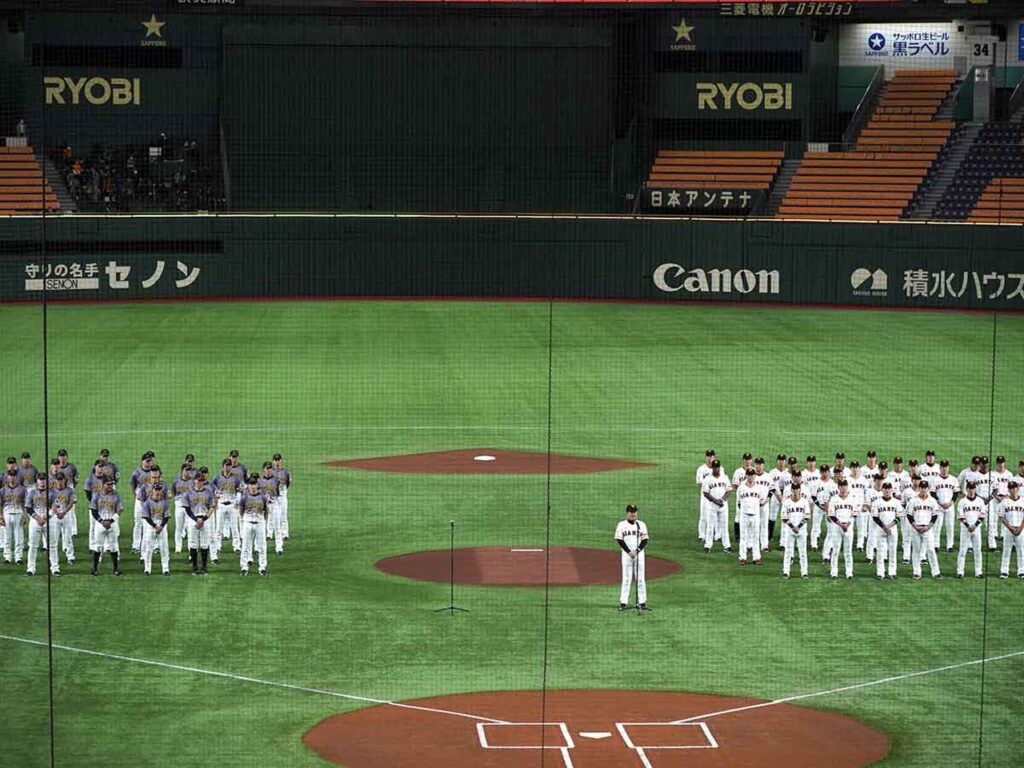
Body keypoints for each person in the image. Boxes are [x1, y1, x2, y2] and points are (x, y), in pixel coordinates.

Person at [615, 504, 649, 610]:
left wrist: (637, 551)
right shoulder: (621, 525)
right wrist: (629, 552)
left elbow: (645, 540)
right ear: (627, 513)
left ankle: (642, 602)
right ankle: (623, 603)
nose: (633, 513)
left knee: (640, 578)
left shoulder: (641, 525)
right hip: (626, 555)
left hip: (639, 554)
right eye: (631, 511)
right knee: (626, 578)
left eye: (635, 511)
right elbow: (619, 540)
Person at [906, 481, 942, 580]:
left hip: (927, 528)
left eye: (925, 487)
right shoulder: (913, 500)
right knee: (916, 551)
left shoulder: (932, 501)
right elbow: (909, 515)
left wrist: (928, 527)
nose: (923, 489)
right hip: (915, 528)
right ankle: (916, 572)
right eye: (921, 487)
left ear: (928, 488)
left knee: (931, 550)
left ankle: (936, 572)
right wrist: (915, 526)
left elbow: (935, 515)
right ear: (919, 488)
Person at [184, 468, 216, 575]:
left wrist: (204, 519)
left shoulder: (209, 492)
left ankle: (204, 567)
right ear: (194, 481)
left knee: (204, 544)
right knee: (193, 544)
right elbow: (187, 509)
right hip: (192, 520)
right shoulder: (188, 493)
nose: (199, 482)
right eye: (198, 481)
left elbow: (212, 507)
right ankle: (194, 567)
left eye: (201, 481)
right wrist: (196, 519)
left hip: (205, 520)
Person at [24, 476, 59, 577]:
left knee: (52, 545)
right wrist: (38, 518)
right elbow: (28, 507)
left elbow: (56, 506)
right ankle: (30, 569)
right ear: (37, 482)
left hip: (50, 520)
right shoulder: (31, 492)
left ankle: (55, 568)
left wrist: (46, 517)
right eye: (40, 482)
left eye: (44, 482)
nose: (42, 484)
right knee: (33, 546)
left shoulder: (53, 492)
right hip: (35, 521)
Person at [90, 476, 124, 576]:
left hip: (112, 524)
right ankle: (94, 568)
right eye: (108, 484)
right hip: (100, 524)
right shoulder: (96, 495)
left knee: (113, 546)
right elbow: (93, 510)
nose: (111, 486)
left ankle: (116, 568)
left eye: (112, 484)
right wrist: (101, 521)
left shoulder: (116, 495)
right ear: (103, 484)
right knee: (98, 546)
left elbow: (120, 509)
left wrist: (112, 520)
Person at [238, 474, 271, 576]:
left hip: (260, 523)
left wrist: (262, 520)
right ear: (248, 486)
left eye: (254, 484)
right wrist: (245, 519)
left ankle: (262, 567)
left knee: (262, 546)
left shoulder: (263, 497)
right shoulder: (244, 497)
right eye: (250, 484)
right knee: (245, 546)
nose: (252, 486)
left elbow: (266, 510)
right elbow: (241, 510)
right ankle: (244, 566)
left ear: (257, 485)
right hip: (247, 523)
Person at [870, 482, 903, 580]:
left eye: (889, 488)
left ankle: (892, 572)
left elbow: (899, 516)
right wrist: (884, 527)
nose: (887, 490)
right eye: (885, 488)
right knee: (881, 551)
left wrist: (890, 526)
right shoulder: (876, 502)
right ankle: (880, 573)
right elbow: (875, 517)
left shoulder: (896, 502)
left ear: (892, 490)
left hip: (893, 529)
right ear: (882, 490)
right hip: (880, 529)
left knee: (892, 551)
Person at [826, 480, 857, 580]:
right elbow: (831, 515)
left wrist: (847, 524)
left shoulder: (852, 499)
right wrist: (840, 524)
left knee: (848, 551)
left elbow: (854, 514)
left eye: (845, 486)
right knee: (835, 550)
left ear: (847, 487)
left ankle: (849, 572)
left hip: (848, 527)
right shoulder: (834, 499)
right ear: (838, 487)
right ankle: (834, 572)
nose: (843, 488)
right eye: (841, 486)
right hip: (836, 527)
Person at [213, 459, 242, 560]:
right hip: (221, 505)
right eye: (226, 465)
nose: (228, 467)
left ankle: (237, 547)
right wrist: (215, 503)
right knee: (218, 528)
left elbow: (240, 490)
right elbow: (212, 490)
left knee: (234, 527)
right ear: (223, 466)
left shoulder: (236, 478)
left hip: (232, 505)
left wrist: (238, 501)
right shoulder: (217, 478)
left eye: (229, 465)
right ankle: (217, 547)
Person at [700, 459, 731, 553]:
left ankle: (727, 546)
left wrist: (722, 499)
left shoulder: (724, 477)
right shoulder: (707, 479)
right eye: (714, 467)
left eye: (717, 467)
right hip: (712, 506)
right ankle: (708, 546)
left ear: (719, 467)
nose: (716, 469)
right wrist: (715, 501)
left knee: (724, 526)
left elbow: (729, 490)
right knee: (710, 526)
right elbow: (705, 493)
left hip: (723, 505)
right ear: (712, 468)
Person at [956, 481, 986, 579]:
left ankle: (978, 572)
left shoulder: (980, 501)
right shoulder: (962, 501)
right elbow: (960, 516)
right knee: (963, 551)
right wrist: (968, 525)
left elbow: (982, 515)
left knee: (977, 551)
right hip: (965, 529)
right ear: (967, 489)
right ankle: (960, 572)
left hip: (977, 529)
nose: (971, 490)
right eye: (969, 488)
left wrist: (975, 525)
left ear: (975, 489)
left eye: (973, 488)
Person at [141, 483, 172, 576]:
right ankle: (147, 569)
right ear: (152, 491)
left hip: (162, 525)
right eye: (156, 490)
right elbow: (146, 517)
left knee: (164, 548)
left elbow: (166, 516)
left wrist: (161, 526)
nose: (158, 492)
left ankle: (165, 569)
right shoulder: (147, 503)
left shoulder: (165, 502)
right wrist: (155, 525)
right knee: (149, 548)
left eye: (159, 490)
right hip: (151, 525)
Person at [736, 470, 766, 565]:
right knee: (743, 537)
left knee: (756, 537)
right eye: (748, 475)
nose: (750, 477)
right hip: (744, 515)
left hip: (755, 515)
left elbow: (762, 502)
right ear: (746, 476)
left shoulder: (759, 488)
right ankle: (742, 557)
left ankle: (756, 557)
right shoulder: (741, 488)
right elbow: (739, 502)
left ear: (754, 476)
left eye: (752, 475)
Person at [781, 482, 810, 579]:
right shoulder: (786, 502)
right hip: (789, 530)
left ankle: (804, 572)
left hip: (801, 530)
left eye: (797, 489)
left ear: (800, 490)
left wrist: (798, 526)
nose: (795, 491)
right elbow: (784, 517)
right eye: (794, 489)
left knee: (803, 552)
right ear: (791, 490)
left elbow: (807, 516)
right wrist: (793, 527)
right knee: (788, 552)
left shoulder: (804, 502)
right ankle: (786, 571)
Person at [129, 452, 156, 555]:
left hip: (153, 501)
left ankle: (155, 546)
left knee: (153, 522)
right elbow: (133, 485)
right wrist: (136, 496)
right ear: (142, 461)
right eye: (147, 461)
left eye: (151, 461)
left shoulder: (154, 472)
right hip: (140, 500)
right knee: (138, 523)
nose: (149, 463)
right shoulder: (137, 472)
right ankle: (136, 546)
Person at [49, 471, 77, 567]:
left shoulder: (69, 490)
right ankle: (53, 559)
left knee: (68, 536)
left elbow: (71, 503)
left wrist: (64, 512)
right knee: (54, 538)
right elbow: (49, 504)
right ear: (55, 480)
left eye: (61, 479)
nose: (60, 481)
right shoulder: (51, 491)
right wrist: (57, 513)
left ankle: (70, 557)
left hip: (66, 515)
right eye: (58, 479)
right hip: (54, 517)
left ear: (65, 480)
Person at [932, 460, 960, 552]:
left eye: (946, 467)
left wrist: (951, 502)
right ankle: (936, 545)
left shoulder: (953, 479)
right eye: (943, 467)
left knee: (950, 526)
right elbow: (932, 493)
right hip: (938, 506)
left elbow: (956, 493)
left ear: (948, 468)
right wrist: (939, 502)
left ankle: (950, 545)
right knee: (937, 526)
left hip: (950, 506)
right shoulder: (935, 480)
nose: (944, 469)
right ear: (940, 468)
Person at [258, 462, 285, 557]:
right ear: (263, 469)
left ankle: (279, 547)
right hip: (264, 506)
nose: (269, 470)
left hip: (274, 505)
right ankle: (258, 548)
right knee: (261, 527)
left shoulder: (276, 481)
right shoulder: (259, 481)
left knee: (277, 526)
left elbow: (279, 493)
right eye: (267, 468)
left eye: (270, 468)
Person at [998, 481, 1024, 579]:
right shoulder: (1004, 502)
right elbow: (1002, 517)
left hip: (1021, 529)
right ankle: (1004, 571)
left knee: (1021, 551)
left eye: (1015, 488)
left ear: (1018, 488)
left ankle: (1021, 571)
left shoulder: (1023, 501)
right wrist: (1011, 528)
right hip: (1009, 529)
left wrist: (1020, 528)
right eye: (1011, 488)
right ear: (1008, 490)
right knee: (1006, 550)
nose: (1013, 490)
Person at [1, 468, 27, 564]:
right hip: (6, 514)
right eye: (10, 475)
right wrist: (0, 517)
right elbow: (0, 504)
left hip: (19, 514)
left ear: (17, 477)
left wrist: (25, 516)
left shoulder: (22, 489)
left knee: (19, 537)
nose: (12, 478)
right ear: (7, 477)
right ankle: (7, 557)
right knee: (7, 537)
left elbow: (25, 504)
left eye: (14, 476)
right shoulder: (2, 490)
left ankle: (18, 557)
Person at [172, 464, 195, 555]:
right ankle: (178, 547)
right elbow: (174, 492)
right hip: (179, 506)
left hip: (189, 507)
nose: (188, 472)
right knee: (179, 527)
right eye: (186, 470)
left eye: (190, 470)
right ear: (182, 471)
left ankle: (191, 547)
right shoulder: (176, 481)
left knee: (190, 528)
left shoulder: (193, 482)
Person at [695, 449, 716, 542]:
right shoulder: (701, 469)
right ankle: (702, 535)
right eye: (708, 456)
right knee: (703, 515)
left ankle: (716, 535)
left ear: (714, 457)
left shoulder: (719, 468)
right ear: (705, 457)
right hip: (705, 496)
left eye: (711, 456)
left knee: (715, 515)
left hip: (715, 495)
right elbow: (700, 483)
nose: (710, 458)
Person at [272, 453, 292, 541]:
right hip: (274, 497)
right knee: (273, 515)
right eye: (275, 460)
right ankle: (270, 533)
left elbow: (288, 483)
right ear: (273, 461)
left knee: (283, 515)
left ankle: (285, 534)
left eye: (278, 460)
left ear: (281, 460)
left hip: (283, 496)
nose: (277, 462)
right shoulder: (270, 472)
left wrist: (283, 492)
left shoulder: (286, 472)